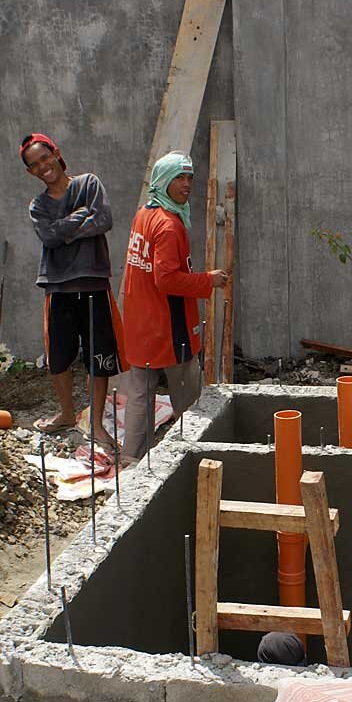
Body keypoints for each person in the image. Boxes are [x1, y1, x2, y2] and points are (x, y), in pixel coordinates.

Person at [122, 151, 227, 460]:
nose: (186, 184)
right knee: (190, 394)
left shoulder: (144, 214)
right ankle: (195, 453)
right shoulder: (169, 226)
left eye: (189, 177)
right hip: (169, 325)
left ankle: (132, 459)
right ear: (163, 180)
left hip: (140, 322)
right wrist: (208, 280)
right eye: (179, 178)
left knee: (140, 394)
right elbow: (166, 280)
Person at [21, 132, 124, 449]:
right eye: (34, 165)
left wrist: (64, 228)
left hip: (93, 284)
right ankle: (67, 413)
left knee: (99, 357)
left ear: (56, 153)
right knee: (59, 357)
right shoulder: (38, 205)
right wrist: (81, 216)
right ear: (31, 172)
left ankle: (95, 424)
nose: (42, 167)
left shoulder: (89, 183)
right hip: (58, 287)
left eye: (44, 158)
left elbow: (103, 220)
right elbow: (49, 238)